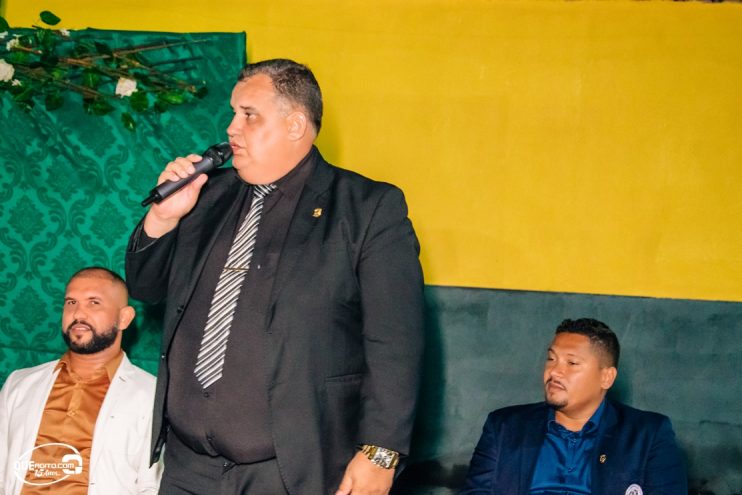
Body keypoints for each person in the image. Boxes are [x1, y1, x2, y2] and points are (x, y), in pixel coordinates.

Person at [125, 58, 424, 495]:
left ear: (295, 125)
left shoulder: (366, 208)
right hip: (188, 469)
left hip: (290, 473)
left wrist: (381, 453)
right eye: (233, 113)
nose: (231, 128)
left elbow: (395, 343)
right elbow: (145, 287)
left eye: (249, 115)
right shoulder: (207, 195)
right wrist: (164, 217)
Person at [460, 318, 687, 495]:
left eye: (572, 363)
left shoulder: (647, 434)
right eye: (551, 359)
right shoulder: (505, 427)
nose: (555, 371)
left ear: (606, 377)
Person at [0, 266, 162, 495]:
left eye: (94, 302)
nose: (78, 314)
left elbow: (152, 485)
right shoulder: (20, 384)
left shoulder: (152, 396)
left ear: (124, 318)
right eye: (71, 302)